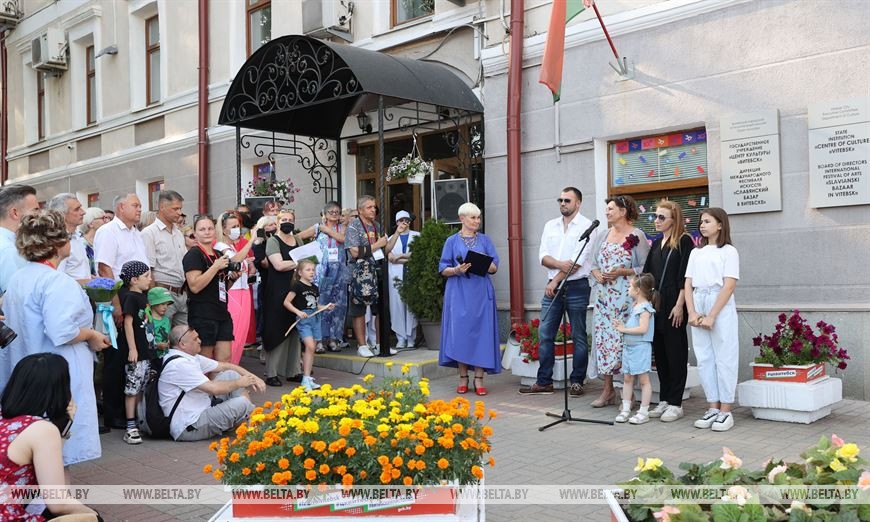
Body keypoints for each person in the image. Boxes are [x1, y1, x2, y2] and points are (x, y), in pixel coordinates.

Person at [0, 210, 112, 466]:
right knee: (57, 449)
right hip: (56, 373)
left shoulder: (19, 278)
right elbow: (63, 331)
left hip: (28, 369)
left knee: (37, 450)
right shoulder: (56, 281)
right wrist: (92, 334)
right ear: (58, 245)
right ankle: (57, 503)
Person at [1, 354, 101, 521]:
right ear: (59, 389)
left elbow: (39, 467)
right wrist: (94, 515)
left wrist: (64, 427)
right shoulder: (41, 430)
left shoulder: (8, 421)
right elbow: (57, 502)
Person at [519, 187, 593, 396]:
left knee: (578, 335)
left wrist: (556, 280)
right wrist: (561, 265)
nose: (562, 203)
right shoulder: (550, 225)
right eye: (560, 199)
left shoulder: (587, 226)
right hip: (552, 285)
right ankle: (544, 381)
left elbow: (578, 261)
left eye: (567, 200)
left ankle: (577, 381)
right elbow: (543, 256)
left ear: (578, 203)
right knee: (545, 334)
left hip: (576, 286)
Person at [588, 195, 650, 408]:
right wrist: (596, 274)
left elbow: (645, 268)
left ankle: (628, 392)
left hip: (626, 298)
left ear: (623, 211)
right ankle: (608, 390)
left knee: (623, 342)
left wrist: (623, 271)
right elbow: (592, 262)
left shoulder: (637, 235)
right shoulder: (603, 234)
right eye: (606, 209)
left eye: (611, 208)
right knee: (605, 343)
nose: (607, 212)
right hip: (604, 299)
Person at [158, 326, 265, 441]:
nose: (200, 341)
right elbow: (213, 389)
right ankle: (251, 424)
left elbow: (226, 366)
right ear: (182, 345)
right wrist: (239, 383)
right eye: (195, 339)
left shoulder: (188, 357)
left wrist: (253, 377)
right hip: (189, 426)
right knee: (242, 403)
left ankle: (245, 422)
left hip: (203, 410)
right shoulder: (179, 364)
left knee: (231, 374)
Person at [684, 208, 739, 432]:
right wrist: (692, 312)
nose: (702, 225)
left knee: (724, 355)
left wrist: (713, 315)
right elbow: (688, 283)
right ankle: (713, 406)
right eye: (701, 222)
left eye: (707, 221)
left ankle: (726, 410)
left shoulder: (729, 251)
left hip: (719, 302)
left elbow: (729, 284)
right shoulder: (696, 253)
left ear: (720, 225)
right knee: (705, 357)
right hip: (699, 299)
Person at [438, 202, 500, 396]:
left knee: (482, 334)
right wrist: (456, 270)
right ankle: (463, 378)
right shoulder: (451, 241)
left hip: (481, 293)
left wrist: (484, 263)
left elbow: (495, 267)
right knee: (461, 334)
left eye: (478, 217)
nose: (477, 221)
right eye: (473, 217)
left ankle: (479, 379)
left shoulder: (485, 240)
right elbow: (443, 268)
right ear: (462, 218)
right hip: (459, 292)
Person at [642, 200, 695, 422]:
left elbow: (686, 276)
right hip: (656, 304)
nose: (656, 220)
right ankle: (664, 398)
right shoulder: (656, 244)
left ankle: (676, 403)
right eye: (655, 216)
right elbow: (647, 274)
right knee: (661, 353)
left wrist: (680, 305)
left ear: (674, 220)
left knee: (675, 351)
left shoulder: (684, 241)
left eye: (661, 217)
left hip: (674, 301)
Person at [345, 195, 406, 357]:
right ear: (360, 210)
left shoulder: (377, 226)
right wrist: (376, 245)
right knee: (359, 309)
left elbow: (385, 250)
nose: (373, 210)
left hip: (377, 271)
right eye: (369, 207)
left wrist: (397, 234)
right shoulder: (353, 227)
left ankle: (380, 344)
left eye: (374, 207)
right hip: (359, 274)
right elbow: (355, 252)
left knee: (380, 309)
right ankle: (362, 345)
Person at [183, 215, 244, 362]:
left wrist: (232, 279)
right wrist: (215, 267)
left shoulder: (218, 254)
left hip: (221, 311)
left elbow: (221, 285)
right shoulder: (193, 254)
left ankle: (220, 384)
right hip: (203, 314)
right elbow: (195, 286)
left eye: (210, 228)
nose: (207, 232)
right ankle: (206, 385)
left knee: (224, 358)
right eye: (202, 229)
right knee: (204, 361)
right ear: (195, 234)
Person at [262, 209, 310, 386]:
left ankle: (293, 371)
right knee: (277, 329)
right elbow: (279, 265)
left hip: (295, 289)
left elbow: (308, 262)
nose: (287, 222)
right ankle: (271, 373)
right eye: (283, 219)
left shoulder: (297, 239)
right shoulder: (273, 241)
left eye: (290, 219)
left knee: (295, 329)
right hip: (277, 291)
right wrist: (299, 262)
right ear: (278, 221)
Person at [116, 261, 156, 445]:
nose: (150, 279)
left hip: (146, 349)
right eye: (146, 276)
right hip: (136, 352)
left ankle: (138, 421)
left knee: (141, 386)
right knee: (132, 388)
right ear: (134, 279)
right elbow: (128, 323)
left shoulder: (144, 296)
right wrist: (133, 348)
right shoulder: (131, 297)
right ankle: (130, 426)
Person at [214, 211, 260, 364]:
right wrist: (251, 240)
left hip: (244, 291)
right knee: (232, 333)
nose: (237, 230)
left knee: (241, 334)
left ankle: (234, 367)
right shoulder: (220, 245)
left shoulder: (233, 246)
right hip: (232, 293)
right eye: (233, 227)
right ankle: (226, 368)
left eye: (238, 226)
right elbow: (234, 260)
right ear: (224, 229)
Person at [283, 259, 335, 391]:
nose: (311, 272)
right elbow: (287, 302)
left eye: (313, 270)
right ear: (300, 272)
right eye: (308, 270)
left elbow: (315, 306)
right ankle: (305, 378)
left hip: (315, 318)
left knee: (311, 349)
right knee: (310, 346)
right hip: (304, 320)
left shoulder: (315, 288)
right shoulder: (297, 285)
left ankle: (307, 377)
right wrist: (298, 312)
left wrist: (326, 307)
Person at [613, 274, 658, 424]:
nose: (628, 288)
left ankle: (643, 411)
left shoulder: (645, 308)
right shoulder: (635, 306)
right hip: (629, 348)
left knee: (644, 380)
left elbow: (643, 329)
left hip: (640, 348)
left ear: (638, 290)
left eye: (630, 286)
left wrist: (623, 330)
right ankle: (626, 408)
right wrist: (622, 326)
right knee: (627, 378)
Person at [142, 190, 189, 327]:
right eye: (175, 208)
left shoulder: (178, 232)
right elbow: (148, 269)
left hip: (182, 293)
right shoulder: (149, 233)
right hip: (163, 294)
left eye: (180, 208)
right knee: (162, 337)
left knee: (183, 338)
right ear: (162, 207)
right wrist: (156, 299)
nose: (179, 212)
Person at [310, 201, 348, 353]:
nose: (334, 213)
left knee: (337, 305)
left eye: (337, 211)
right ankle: (318, 341)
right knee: (321, 304)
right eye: (331, 211)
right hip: (322, 272)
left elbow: (343, 239)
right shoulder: (317, 228)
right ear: (324, 214)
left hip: (339, 271)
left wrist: (329, 229)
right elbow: (298, 238)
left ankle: (333, 339)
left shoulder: (343, 227)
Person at [388, 210, 420, 349]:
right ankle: (400, 338)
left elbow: (416, 255)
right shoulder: (390, 239)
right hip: (395, 276)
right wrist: (404, 258)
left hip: (411, 275)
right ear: (396, 223)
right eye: (401, 220)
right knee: (397, 306)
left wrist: (400, 257)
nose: (404, 223)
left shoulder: (417, 236)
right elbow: (389, 257)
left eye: (406, 220)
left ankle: (411, 337)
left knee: (411, 306)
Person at [0, 184, 39, 295]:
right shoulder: (8, 250)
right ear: (15, 213)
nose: (39, 215)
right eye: (35, 210)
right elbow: (19, 300)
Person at [49, 193, 92, 285]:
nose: (83, 212)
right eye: (77, 209)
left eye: (81, 207)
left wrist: (91, 279)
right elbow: (56, 280)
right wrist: (90, 283)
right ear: (62, 214)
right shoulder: (58, 241)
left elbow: (77, 271)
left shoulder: (76, 235)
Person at [78, 207, 107, 277]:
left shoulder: (103, 241)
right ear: (91, 223)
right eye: (103, 218)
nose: (106, 221)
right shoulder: (81, 244)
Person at [147, 287, 173, 358]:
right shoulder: (148, 320)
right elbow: (145, 341)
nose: (165, 307)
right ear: (153, 303)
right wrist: (157, 345)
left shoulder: (166, 319)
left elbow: (168, 335)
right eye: (162, 304)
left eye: (167, 304)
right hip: (152, 357)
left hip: (165, 355)